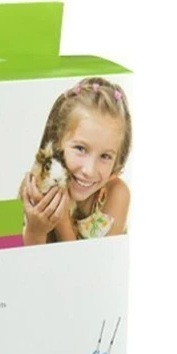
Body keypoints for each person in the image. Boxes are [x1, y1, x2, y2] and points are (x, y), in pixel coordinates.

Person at [21, 77, 132, 244]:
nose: (89, 170)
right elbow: (29, 260)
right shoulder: (38, 184)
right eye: (80, 149)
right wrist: (35, 231)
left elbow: (92, 261)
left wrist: (62, 221)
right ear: (57, 141)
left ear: (117, 158)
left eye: (105, 156)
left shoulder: (116, 195)